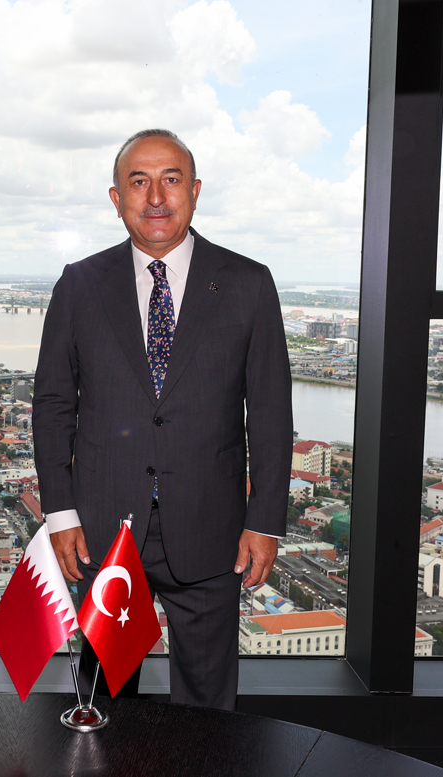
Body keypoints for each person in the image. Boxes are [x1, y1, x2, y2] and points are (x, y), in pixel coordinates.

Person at [33, 129, 292, 711]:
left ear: (195, 192)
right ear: (115, 197)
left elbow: (272, 414)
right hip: (103, 529)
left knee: (207, 707)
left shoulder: (249, 283)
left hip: (215, 529)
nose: (155, 196)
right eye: (138, 181)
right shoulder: (79, 283)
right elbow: (52, 405)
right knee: (104, 703)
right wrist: (61, 512)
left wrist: (266, 521)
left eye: (171, 179)